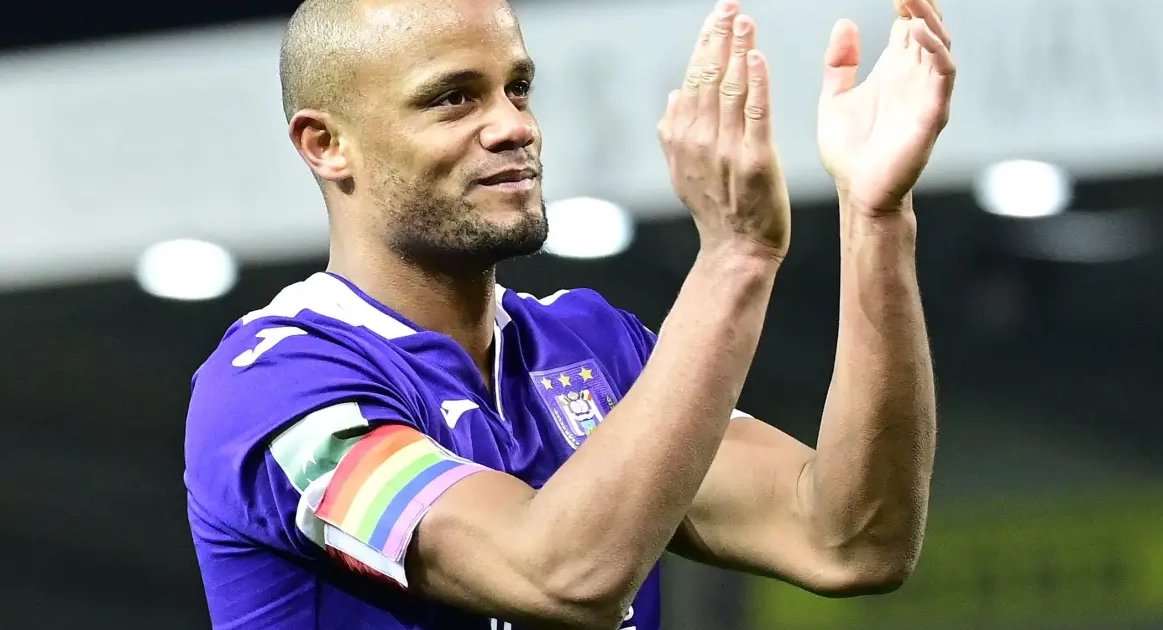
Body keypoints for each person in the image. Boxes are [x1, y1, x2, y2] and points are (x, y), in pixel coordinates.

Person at [183, 0, 954, 627]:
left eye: (517, 87)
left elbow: (852, 540)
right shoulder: (274, 390)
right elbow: (560, 577)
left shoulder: (591, 349)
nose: (514, 125)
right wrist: (735, 257)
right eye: (454, 98)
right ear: (326, 144)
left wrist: (877, 218)